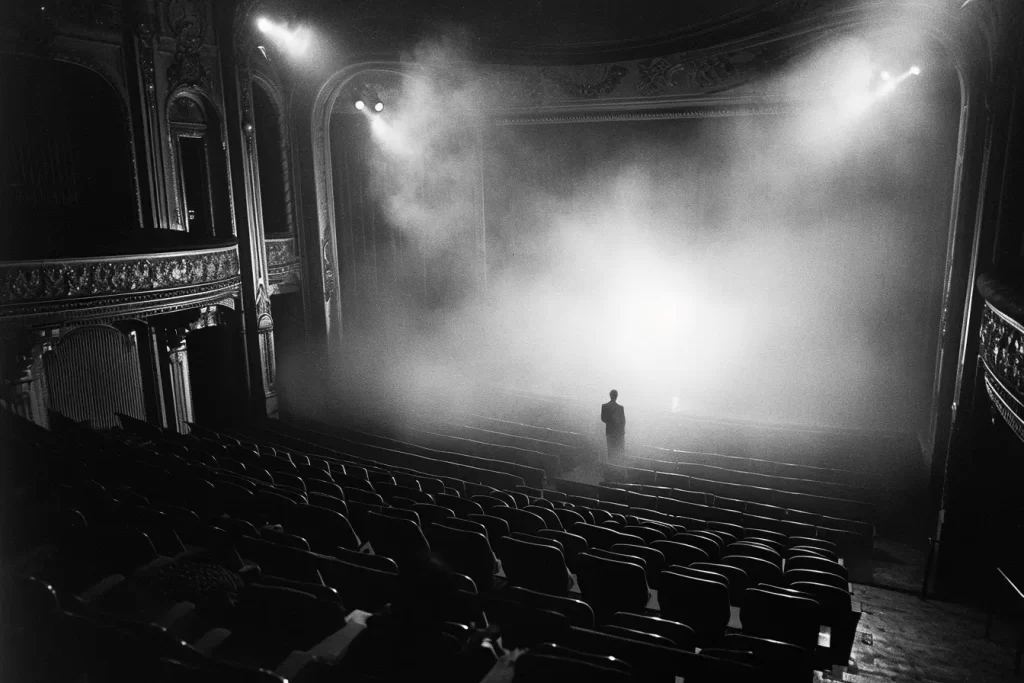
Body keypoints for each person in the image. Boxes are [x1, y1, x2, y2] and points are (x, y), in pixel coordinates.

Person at [601, 389, 626, 461]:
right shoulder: (620, 408)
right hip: (618, 433)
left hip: (610, 431)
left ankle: (611, 464)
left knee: (610, 449)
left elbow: (603, 419)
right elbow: (623, 421)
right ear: (617, 396)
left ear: (610, 395)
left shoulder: (605, 406)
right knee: (618, 450)